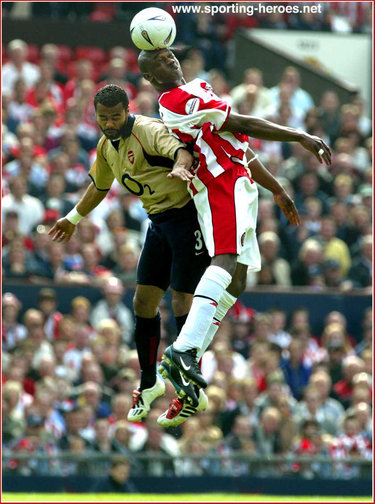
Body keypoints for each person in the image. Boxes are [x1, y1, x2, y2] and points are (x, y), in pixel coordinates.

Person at [49, 84, 300, 427]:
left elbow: (180, 150)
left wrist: (182, 166)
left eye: (115, 116)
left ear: (128, 111)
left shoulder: (148, 131)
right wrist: (73, 217)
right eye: (102, 117)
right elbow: (99, 185)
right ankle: (149, 382)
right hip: (159, 223)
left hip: (187, 218)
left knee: (183, 300)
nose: (108, 122)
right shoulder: (107, 146)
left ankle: (189, 391)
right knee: (142, 303)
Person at [137, 48, 331, 403]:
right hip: (219, 183)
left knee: (238, 278)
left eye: (169, 56)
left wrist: (277, 189)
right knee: (224, 260)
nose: (170, 61)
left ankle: (187, 351)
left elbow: (240, 146)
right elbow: (243, 123)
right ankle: (183, 348)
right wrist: (299, 135)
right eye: (159, 62)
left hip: (238, 178)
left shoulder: (197, 87)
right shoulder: (178, 101)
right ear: (150, 79)